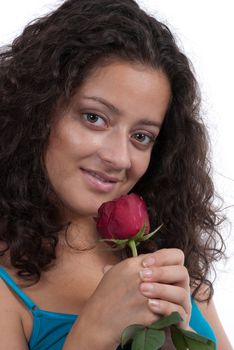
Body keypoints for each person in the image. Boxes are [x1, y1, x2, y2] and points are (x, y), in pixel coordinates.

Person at [0, 0, 232, 349]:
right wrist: (94, 329)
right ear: (38, 110)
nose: (118, 158)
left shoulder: (165, 250)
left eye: (141, 137)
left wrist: (183, 333)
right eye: (94, 117)